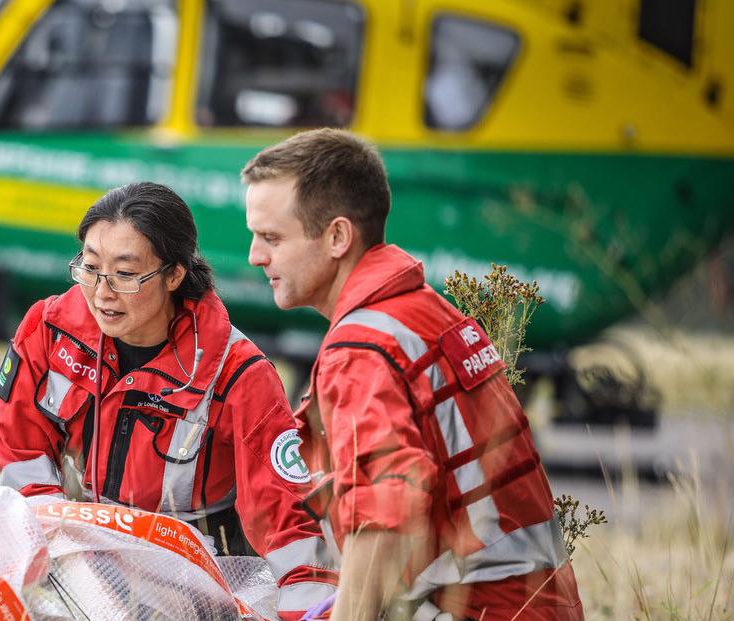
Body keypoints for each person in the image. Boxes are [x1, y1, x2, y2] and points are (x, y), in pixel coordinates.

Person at [242, 128, 583, 620]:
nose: (256, 255)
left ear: (337, 236)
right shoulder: (426, 314)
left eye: (272, 237)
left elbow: (384, 518)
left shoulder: (360, 350)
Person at [0, 181, 337, 620]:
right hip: (88, 548)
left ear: (174, 275)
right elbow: (21, 451)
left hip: (207, 576)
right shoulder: (50, 329)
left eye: (126, 273)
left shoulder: (237, 374)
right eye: (91, 267)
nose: (102, 292)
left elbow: (288, 521)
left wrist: (309, 612)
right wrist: (56, 542)